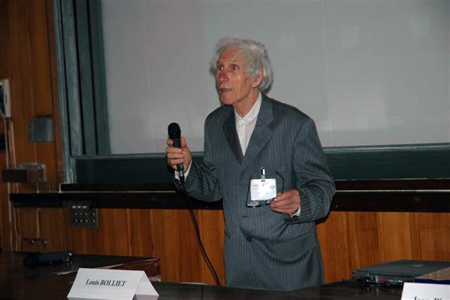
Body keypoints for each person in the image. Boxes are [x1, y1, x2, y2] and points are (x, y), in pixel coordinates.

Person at [166, 37, 336, 291]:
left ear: (257, 78)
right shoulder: (215, 124)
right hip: (240, 263)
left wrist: (300, 201)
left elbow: (323, 188)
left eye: (233, 68)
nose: (222, 77)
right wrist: (187, 168)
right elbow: (213, 188)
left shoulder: (294, 123)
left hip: (289, 265)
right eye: (220, 68)